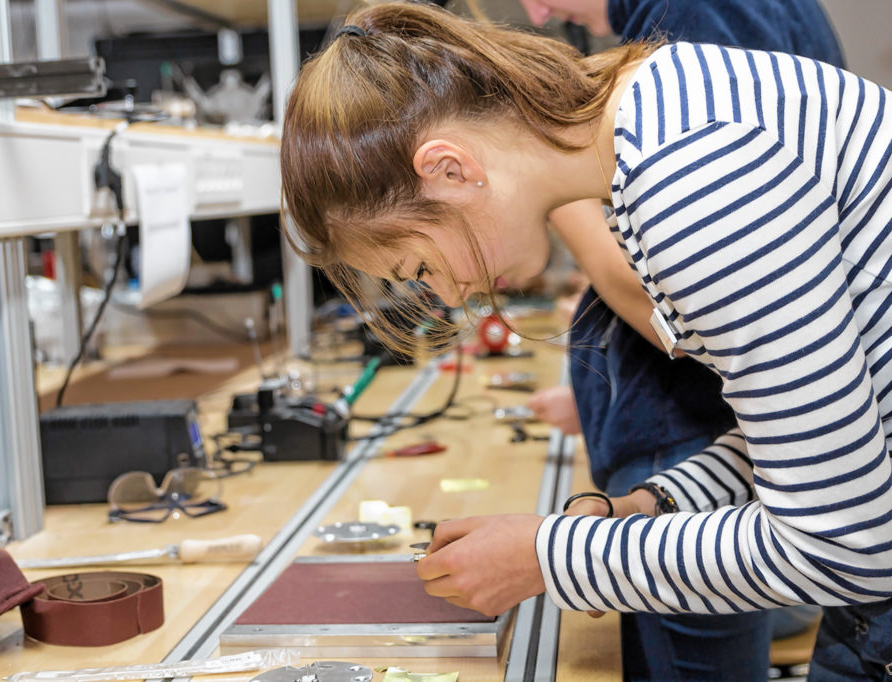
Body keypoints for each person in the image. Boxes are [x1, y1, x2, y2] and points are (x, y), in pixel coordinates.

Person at [279, 3, 892, 680]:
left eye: (419, 267)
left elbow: (844, 545)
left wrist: (549, 556)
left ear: (450, 169)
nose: (451, 295)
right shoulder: (657, 123)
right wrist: (656, 503)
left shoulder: (693, 186)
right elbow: (820, 431)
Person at [512, 1, 843, 677]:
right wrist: (653, 502)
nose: (539, 14)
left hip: (684, 428)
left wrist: (559, 185)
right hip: (710, 453)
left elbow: (838, 544)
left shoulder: (686, 71)